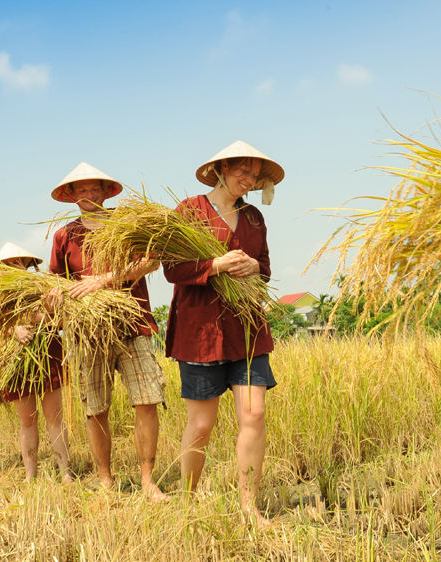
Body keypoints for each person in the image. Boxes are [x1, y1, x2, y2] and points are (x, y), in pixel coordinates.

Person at [163, 140, 281, 525]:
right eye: (242, 170)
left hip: (247, 327)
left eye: (255, 174)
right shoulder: (189, 211)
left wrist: (252, 268)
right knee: (201, 423)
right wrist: (215, 265)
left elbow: (264, 268)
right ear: (221, 169)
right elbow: (172, 269)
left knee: (255, 414)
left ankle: (250, 507)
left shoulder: (253, 218)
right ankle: (188, 502)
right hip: (201, 329)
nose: (248, 179)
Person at [48, 162, 169, 502]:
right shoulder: (64, 236)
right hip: (88, 333)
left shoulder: (127, 225)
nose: (88, 194)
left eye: (94, 189)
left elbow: (151, 261)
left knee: (146, 401)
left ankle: (148, 479)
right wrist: (54, 297)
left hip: (134, 325)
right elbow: (57, 281)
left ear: (105, 192)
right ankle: (106, 479)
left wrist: (106, 279)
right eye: (81, 190)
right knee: (96, 407)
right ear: (71, 196)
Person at [0, 242, 72, 483]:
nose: (13, 266)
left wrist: (37, 316)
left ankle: (65, 471)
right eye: (7, 264)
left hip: (48, 353)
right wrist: (12, 328)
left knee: (54, 417)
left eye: (17, 262)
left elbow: (62, 321)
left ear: (27, 264)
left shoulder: (45, 286)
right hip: (15, 361)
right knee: (27, 420)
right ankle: (30, 475)